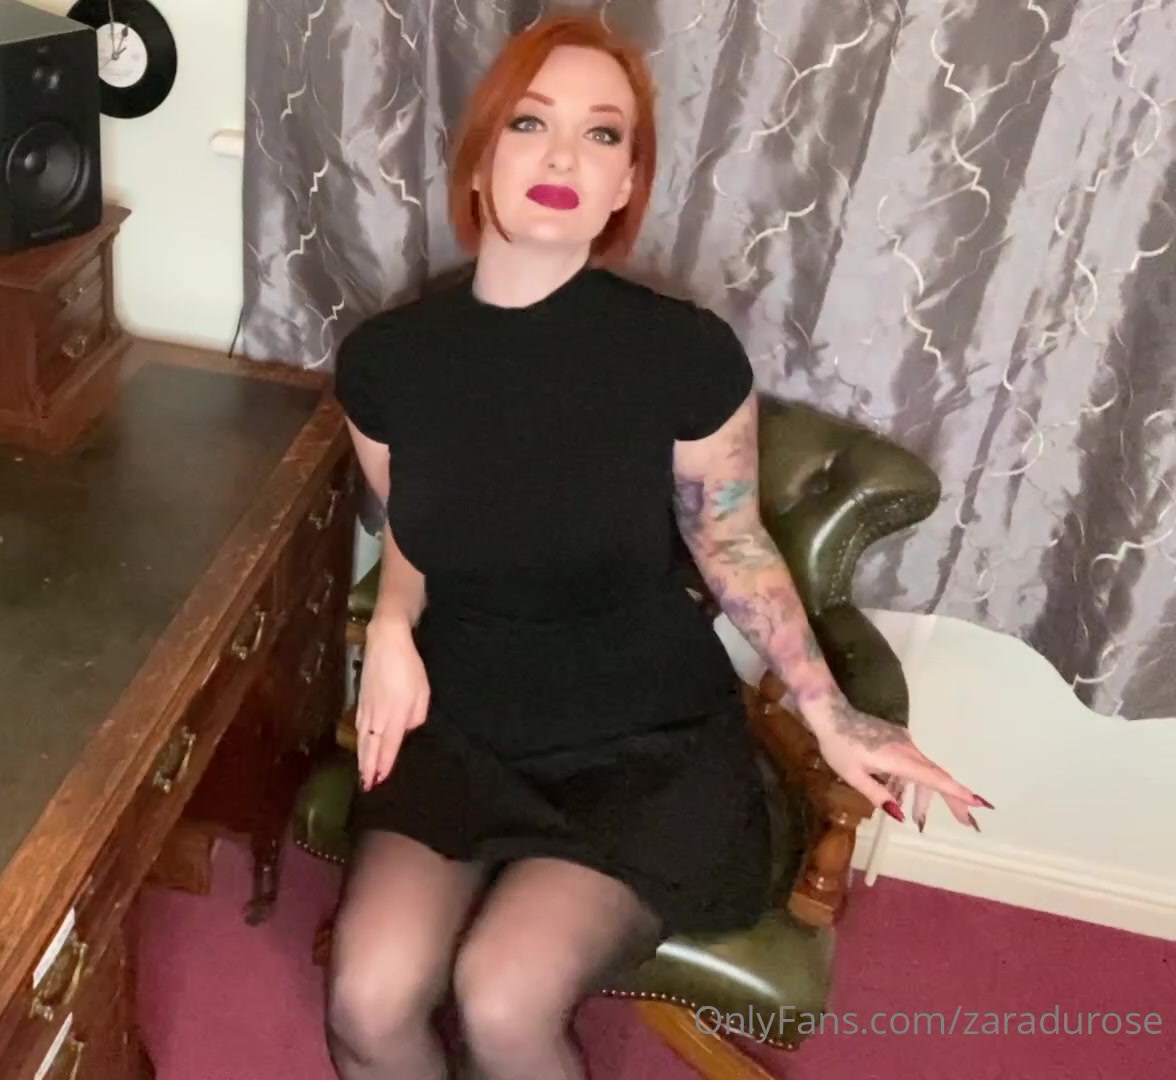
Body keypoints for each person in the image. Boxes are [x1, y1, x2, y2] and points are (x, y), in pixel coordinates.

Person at [324, 14, 992, 1080]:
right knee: (367, 999)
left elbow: (730, 538)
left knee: (503, 997)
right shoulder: (385, 364)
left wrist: (830, 712)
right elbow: (417, 527)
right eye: (530, 123)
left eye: (602, 134)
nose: (561, 156)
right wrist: (397, 625)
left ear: (626, 182)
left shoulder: (681, 354)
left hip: (642, 740)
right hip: (462, 721)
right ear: (480, 157)